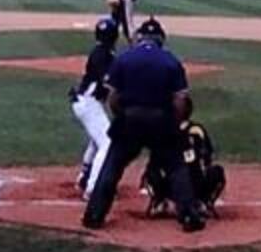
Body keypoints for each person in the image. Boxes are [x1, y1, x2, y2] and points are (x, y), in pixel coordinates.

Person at [82, 17, 206, 233]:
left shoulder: (124, 58)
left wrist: (122, 117)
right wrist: (173, 124)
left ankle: (94, 215)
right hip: (160, 119)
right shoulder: (171, 61)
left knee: (112, 165)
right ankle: (188, 216)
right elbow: (179, 102)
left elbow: (113, 97)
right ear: (161, 39)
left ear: (139, 37)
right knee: (176, 167)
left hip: (130, 118)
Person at [70, 17, 120, 196]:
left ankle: (85, 176)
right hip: (88, 103)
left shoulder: (101, 52)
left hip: (86, 102)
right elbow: (107, 82)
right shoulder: (103, 55)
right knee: (108, 142)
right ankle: (93, 189)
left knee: (97, 138)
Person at [142, 114, 226, 221]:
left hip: (172, 186)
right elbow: (208, 156)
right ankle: (203, 202)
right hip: (198, 184)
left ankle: (160, 200)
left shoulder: (164, 131)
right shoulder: (197, 129)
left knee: (151, 171)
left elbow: (155, 161)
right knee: (217, 171)